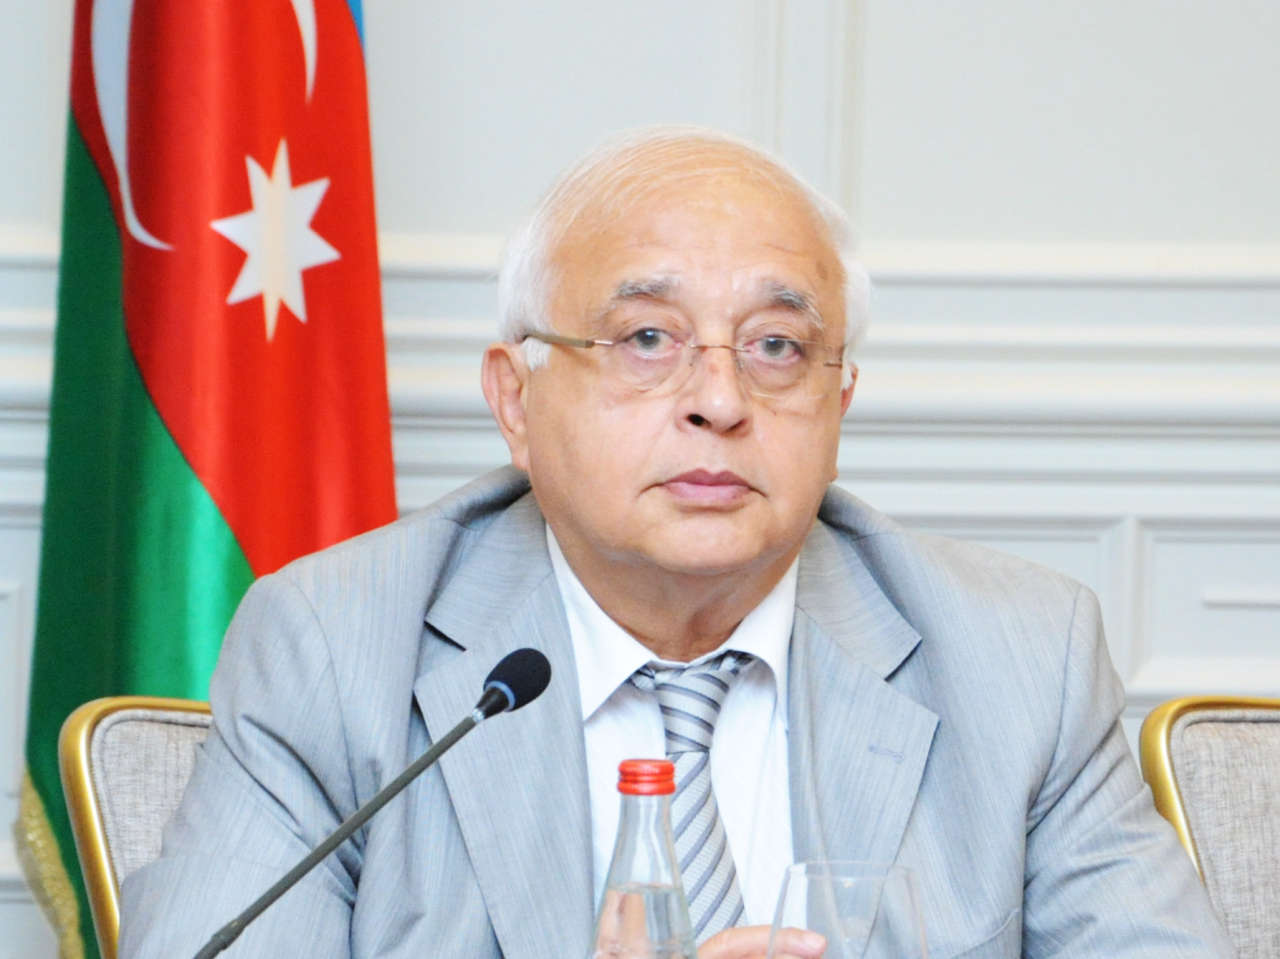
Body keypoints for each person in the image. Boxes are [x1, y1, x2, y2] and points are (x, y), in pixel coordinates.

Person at [119, 128, 1234, 958]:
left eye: (777, 346)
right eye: (646, 337)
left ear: (839, 402)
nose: (720, 399)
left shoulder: (1018, 657)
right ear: (515, 399)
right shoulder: (334, 648)